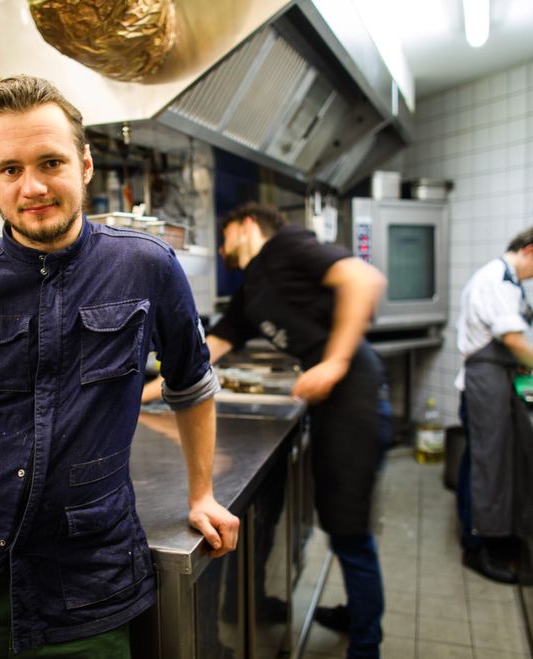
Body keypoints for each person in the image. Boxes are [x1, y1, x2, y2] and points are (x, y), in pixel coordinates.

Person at [0, 75, 239, 658]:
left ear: (85, 165)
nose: (33, 186)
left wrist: (203, 493)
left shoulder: (146, 266)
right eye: (10, 169)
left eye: (50, 162)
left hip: (84, 590)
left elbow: (191, 385)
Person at [145, 202, 390, 659]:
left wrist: (334, 362)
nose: (221, 249)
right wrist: (140, 396)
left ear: (246, 224)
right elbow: (210, 348)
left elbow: (365, 279)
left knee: (349, 528)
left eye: (224, 236)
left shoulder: (288, 245)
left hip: (355, 393)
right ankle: (358, 615)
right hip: (330, 402)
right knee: (339, 520)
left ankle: (366, 644)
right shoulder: (252, 288)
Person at [455, 226, 533, 583]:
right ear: (529, 250)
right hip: (483, 383)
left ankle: (482, 539)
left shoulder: (505, 281)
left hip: (489, 380)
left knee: (481, 462)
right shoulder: (497, 279)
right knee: (487, 466)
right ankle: (478, 550)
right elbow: (513, 340)